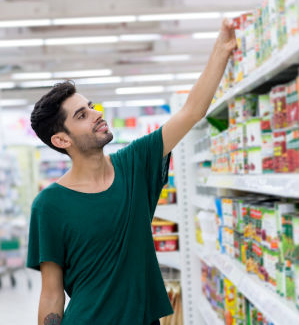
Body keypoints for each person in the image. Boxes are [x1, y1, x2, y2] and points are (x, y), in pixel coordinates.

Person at [27, 19, 236, 325]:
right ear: (62, 140)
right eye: (82, 115)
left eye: (92, 106)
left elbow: (191, 111)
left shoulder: (134, 165)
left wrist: (222, 49)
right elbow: (51, 294)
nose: (97, 114)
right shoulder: (49, 205)